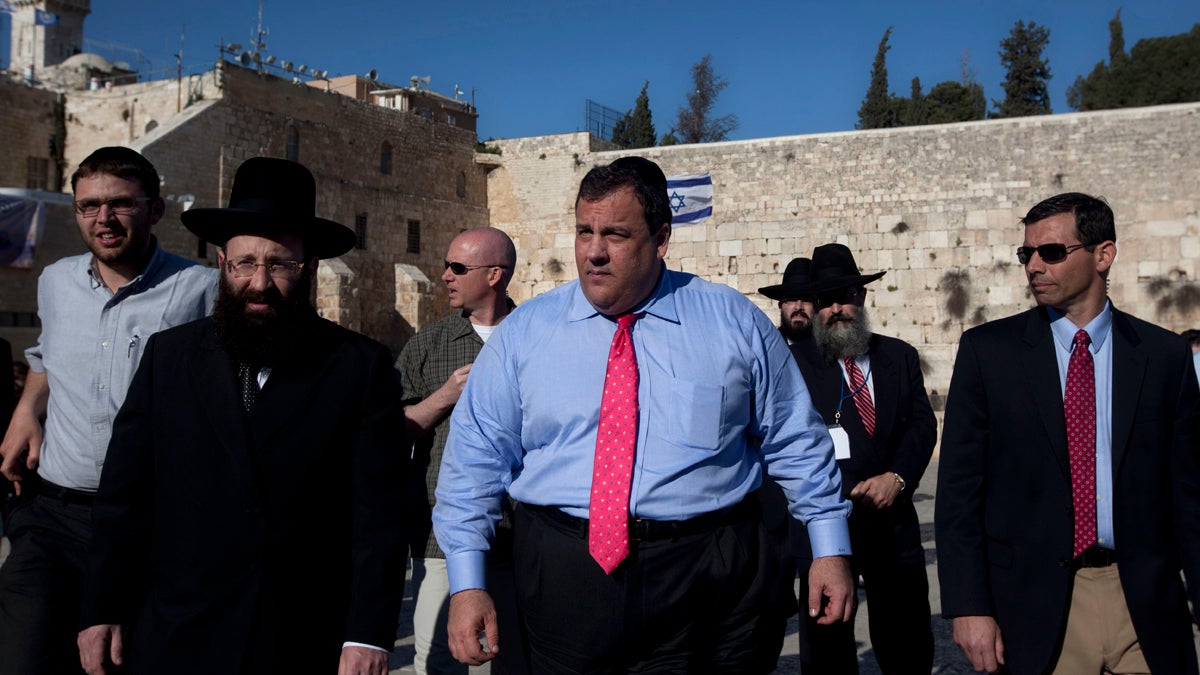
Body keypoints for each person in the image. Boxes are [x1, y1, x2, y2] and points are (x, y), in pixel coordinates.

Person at [432, 156, 853, 673]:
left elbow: (795, 439)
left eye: (615, 234)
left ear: (660, 237)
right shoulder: (525, 335)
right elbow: (473, 461)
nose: (593, 252)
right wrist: (468, 583)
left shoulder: (731, 323)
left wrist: (830, 546)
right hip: (566, 575)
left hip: (707, 579)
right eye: (584, 231)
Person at [77, 157, 408, 675]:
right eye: (244, 263)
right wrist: (103, 607)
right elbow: (125, 496)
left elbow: (379, 515)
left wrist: (367, 634)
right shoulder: (169, 358)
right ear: (221, 264)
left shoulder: (359, 367)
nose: (260, 283)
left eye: (280, 265)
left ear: (311, 268)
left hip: (301, 636)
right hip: (178, 630)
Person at [936, 192, 1200, 674]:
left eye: (1051, 252)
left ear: (1103, 255)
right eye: (1026, 254)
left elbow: (1189, 494)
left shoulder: (1164, 357)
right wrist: (968, 605)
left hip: (1144, 599)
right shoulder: (988, 353)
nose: (1034, 265)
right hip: (1037, 604)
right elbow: (958, 494)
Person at [0, 146, 218, 675]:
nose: (103, 219)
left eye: (119, 204)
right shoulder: (55, 282)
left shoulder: (200, 291)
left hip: (149, 524)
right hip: (52, 513)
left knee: (119, 664)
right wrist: (26, 411)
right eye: (88, 206)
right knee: (22, 659)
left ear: (155, 210)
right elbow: (46, 361)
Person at [787, 243, 936, 674]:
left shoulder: (899, 356)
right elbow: (786, 443)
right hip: (827, 532)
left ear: (863, 297)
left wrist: (899, 477)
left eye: (845, 296)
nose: (836, 308)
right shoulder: (792, 365)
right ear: (814, 308)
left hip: (893, 527)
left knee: (906, 644)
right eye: (825, 300)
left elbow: (922, 426)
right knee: (828, 649)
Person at [396, 226, 524, 675]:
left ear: (494, 274)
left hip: (523, 536)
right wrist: (443, 397)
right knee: (438, 662)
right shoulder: (427, 347)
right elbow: (392, 434)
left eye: (457, 267)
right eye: (446, 265)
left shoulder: (536, 339)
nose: (445, 275)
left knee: (510, 661)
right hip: (440, 537)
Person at [759, 257, 816, 345]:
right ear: (780, 306)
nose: (798, 307)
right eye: (792, 299)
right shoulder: (767, 347)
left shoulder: (830, 350)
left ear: (817, 306)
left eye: (806, 299)